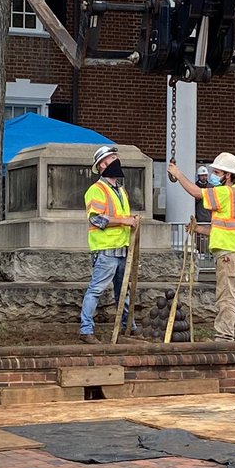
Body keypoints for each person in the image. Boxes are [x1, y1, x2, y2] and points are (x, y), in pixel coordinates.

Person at [169, 152, 235, 341]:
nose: (213, 175)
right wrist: (199, 230)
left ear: (227, 175)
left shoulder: (225, 192)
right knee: (234, 296)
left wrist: (178, 174)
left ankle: (224, 337)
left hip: (228, 253)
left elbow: (196, 193)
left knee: (226, 296)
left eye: (217, 172)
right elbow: (222, 228)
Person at [79, 144, 139, 345]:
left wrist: (129, 221)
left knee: (124, 290)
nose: (117, 161)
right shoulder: (96, 190)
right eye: (113, 158)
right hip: (106, 250)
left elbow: (119, 216)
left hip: (122, 248)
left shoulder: (121, 190)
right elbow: (96, 219)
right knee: (96, 289)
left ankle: (128, 326)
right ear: (103, 164)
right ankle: (86, 329)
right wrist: (125, 221)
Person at [193, 166, 211, 256]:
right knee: (200, 237)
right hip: (199, 216)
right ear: (198, 176)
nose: (204, 177)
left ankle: (208, 253)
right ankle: (201, 252)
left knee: (208, 237)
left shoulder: (211, 187)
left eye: (205, 175)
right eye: (202, 175)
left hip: (209, 216)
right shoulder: (195, 187)